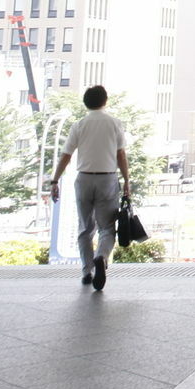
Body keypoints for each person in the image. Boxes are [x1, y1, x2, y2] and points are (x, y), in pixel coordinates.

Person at [48, 85, 130, 291]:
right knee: (107, 228)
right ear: (105, 101)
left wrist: (55, 180)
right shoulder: (114, 124)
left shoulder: (79, 125)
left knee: (85, 228)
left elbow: (66, 155)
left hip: (83, 179)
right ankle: (101, 257)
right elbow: (121, 155)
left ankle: (86, 271)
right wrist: (127, 180)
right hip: (107, 179)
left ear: (86, 103)